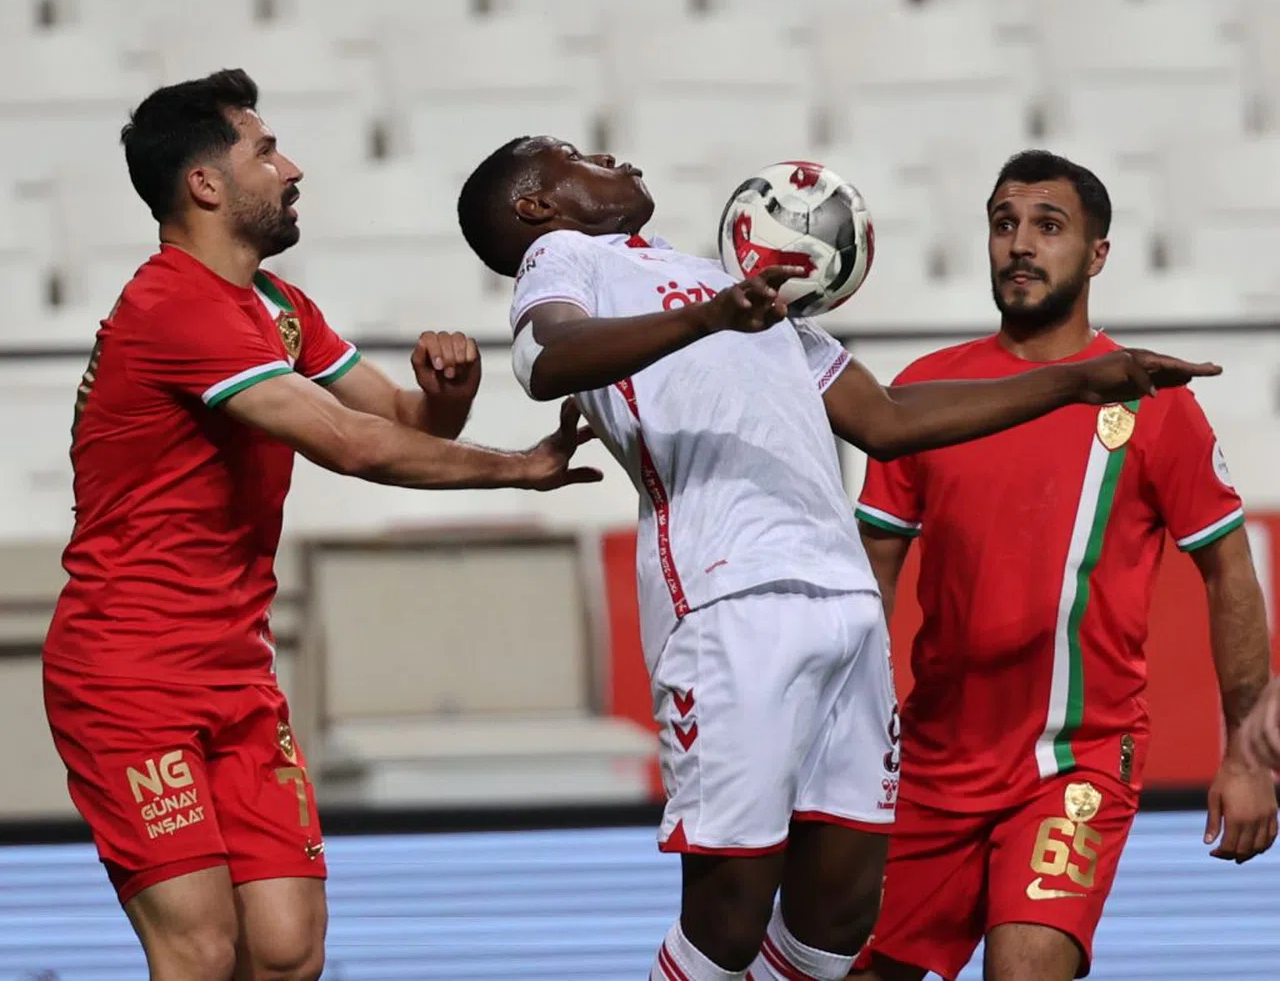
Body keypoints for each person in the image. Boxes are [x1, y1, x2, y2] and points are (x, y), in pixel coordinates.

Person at [454, 135, 1222, 981]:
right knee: (728, 917)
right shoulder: (568, 259)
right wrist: (708, 318)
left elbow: (886, 418)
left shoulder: (723, 279)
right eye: (574, 156)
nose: (611, 157)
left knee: (837, 924)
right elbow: (545, 358)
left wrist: (1077, 384)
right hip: (730, 599)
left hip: (844, 601)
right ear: (537, 206)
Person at [41, 72, 599, 981]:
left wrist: (447, 396)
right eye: (265, 151)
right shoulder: (175, 307)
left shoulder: (279, 308)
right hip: (130, 674)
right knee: (201, 951)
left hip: (236, 669)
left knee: (287, 950)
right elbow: (351, 445)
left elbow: (402, 422)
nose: (291, 168)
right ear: (205, 185)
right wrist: (519, 467)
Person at [850, 150, 1278, 981]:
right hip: (931, 762)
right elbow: (873, 572)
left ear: (1097, 254)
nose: (1020, 244)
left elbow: (1230, 571)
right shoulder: (921, 396)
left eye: (1049, 226)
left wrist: (1247, 754)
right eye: (1004, 224)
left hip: (1075, 762)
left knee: (1026, 968)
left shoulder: (1154, 403)